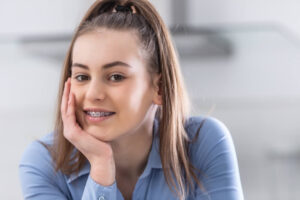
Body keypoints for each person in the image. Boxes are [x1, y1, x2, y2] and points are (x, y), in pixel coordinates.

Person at [19, 0, 244, 199]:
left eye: (115, 76)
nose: (93, 93)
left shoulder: (204, 144)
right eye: (82, 76)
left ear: (160, 89)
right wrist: (101, 168)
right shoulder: (42, 163)